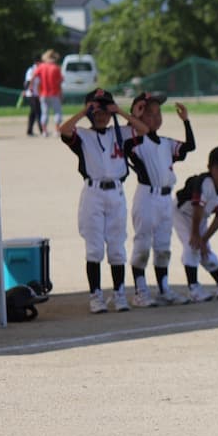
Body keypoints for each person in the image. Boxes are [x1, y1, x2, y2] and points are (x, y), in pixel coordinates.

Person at [59, 88, 149, 313]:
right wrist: (84, 111)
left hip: (116, 193)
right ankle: (95, 296)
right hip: (93, 194)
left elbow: (143, 129)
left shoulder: (119, 133)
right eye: (96, 110)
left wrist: (119, 111)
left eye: (104, 110)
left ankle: (119, 294)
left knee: (117, 247)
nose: (101, 114)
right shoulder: (83, 135)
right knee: (94, 248)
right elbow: (64, 129)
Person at [123, 92, 196, 307]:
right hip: (147, 197)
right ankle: (140, 290)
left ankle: (164, 289)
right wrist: (132, 117)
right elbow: (128, 143)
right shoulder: (135, 141)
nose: (155, 118)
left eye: (158, 113)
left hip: (165, 199)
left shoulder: (165, 142)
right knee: (143, 244)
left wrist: (186, 121)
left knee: (163, 246)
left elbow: (189, 147)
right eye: (149, 114)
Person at [173, 145, 218, 302]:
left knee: (205, 250)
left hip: (200, 218)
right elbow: (197, 208)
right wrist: (196, 236)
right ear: (210, 168)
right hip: (181, 213)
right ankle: (194, 288)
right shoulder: (204, 182)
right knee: (192, 246)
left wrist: (205, 239)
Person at [36, 49, 63, 138]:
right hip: (54, 93)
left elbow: (34, 78)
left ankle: (44, 131)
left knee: (44, 113)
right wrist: (61, 93)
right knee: (57, 112)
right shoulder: (56, 68)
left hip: (43, 93)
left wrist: (32, 88)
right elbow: (60, 82)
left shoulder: (41, 67)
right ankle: (56, 130)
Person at [23, 57, 42, 137]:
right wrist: (25, 90)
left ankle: (29, 131)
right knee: (38, 112)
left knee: (33, 113)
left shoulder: (40, 69)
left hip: (37, 94)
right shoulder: (31, 70)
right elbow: (27, 82)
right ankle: (42, 130)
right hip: (32, 94)